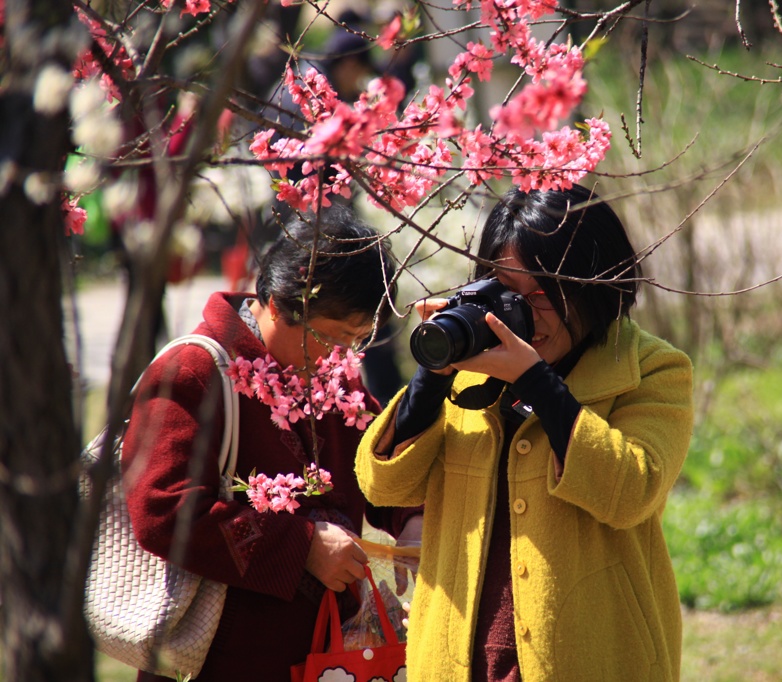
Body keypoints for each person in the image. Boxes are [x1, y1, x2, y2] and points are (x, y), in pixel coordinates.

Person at [355, 184, 694, 681]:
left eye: (545, 294)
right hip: (459, 655)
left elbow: (631, 492)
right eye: (510, 292)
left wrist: (535, 380)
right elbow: (383, 485)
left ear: (594, 283)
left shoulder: (653, 370)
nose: (527, 314)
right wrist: (429, 382)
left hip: (591, 655)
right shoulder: (472, 364)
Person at [122, 204, 423, 681]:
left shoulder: (333, 377)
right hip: (221, 658)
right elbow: (162, 511)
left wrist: (410, 519)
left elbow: (377, 458)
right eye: (330, 337)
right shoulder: (194, 373)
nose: (341, 355)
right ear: (279, 305)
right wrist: (302, 547)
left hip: (328, 652)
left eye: (357, 340)